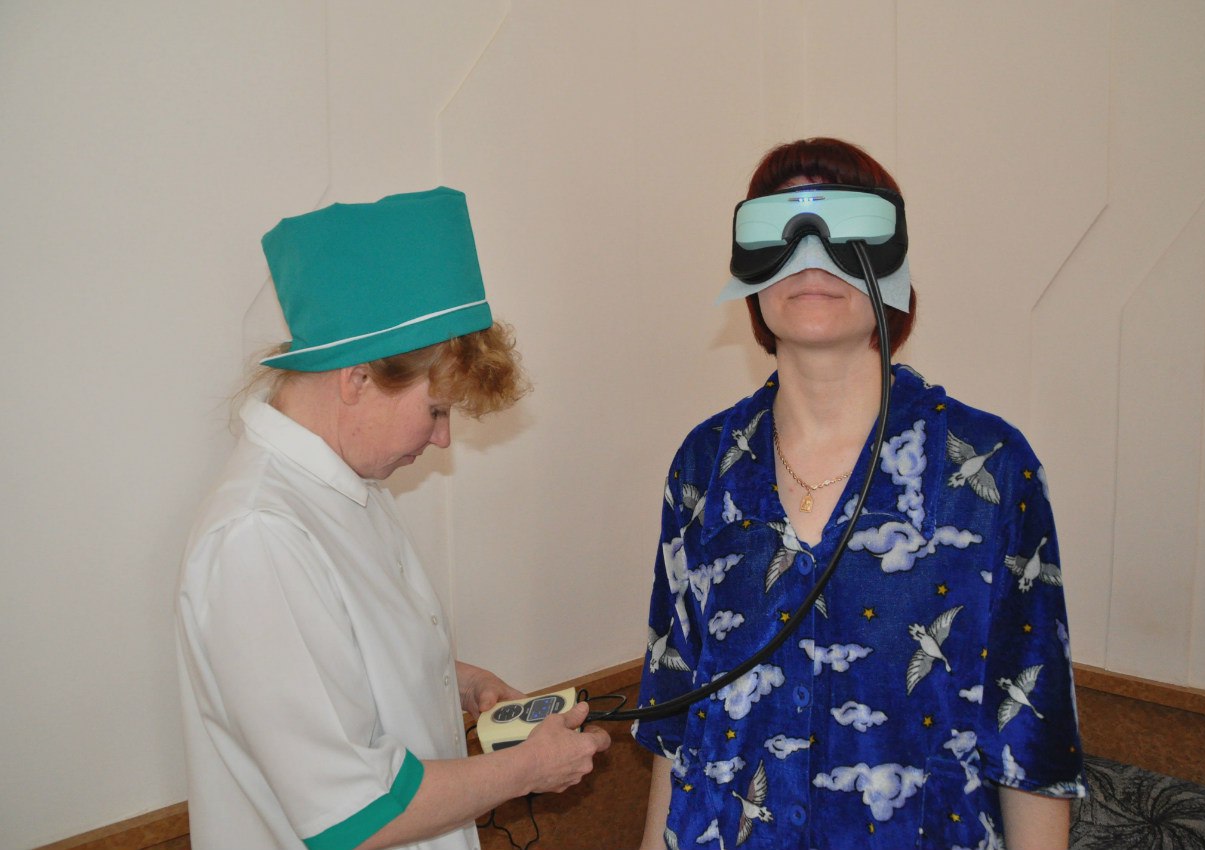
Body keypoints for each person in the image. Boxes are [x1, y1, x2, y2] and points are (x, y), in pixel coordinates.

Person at [634, 139, 1086, 850]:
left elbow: (1033, 744)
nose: (810, 258)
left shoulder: (992, 471)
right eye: (780, 233)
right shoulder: (704, 464)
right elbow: (674, 719)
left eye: (845, 233)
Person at [176, 188, 610, 850]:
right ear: (357, 379)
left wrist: (450, 679)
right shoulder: (259, 536)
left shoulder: (345, 484)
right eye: (436, 410)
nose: (442, 439)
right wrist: (528, 768)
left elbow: (336, 664)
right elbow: (353, 814)